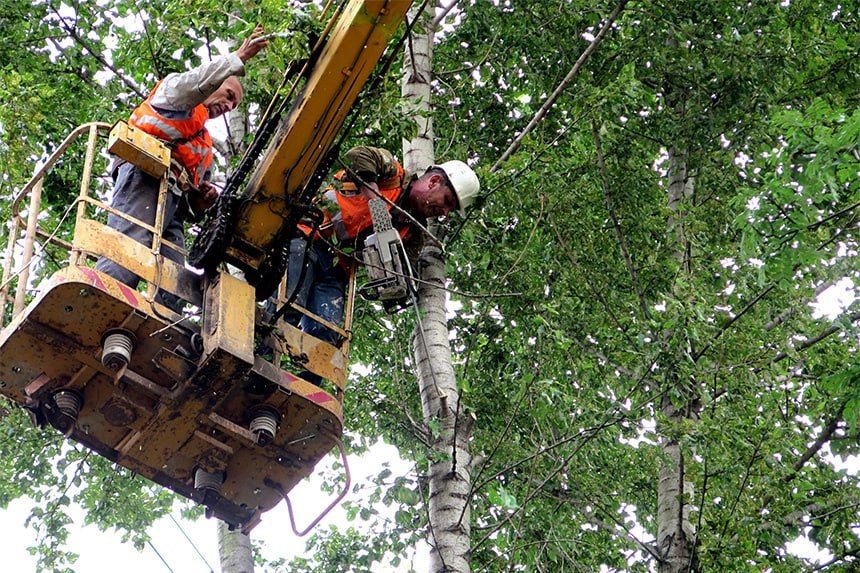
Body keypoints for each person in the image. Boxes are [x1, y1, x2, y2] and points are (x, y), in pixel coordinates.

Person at [95, 25, 269, 311]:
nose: (227, 105)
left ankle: (162, 321)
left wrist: (201, 200)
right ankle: (102, 305)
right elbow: (196, 82)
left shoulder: (204, 147)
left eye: (234, 103)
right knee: (130, 245)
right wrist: (238, 57)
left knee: (174, 275)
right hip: (144, 176)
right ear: (213, 84)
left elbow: (192, 205)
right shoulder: (173, 95)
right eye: (227, 94)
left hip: (172, 204)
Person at [275, 146, 480, 345]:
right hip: (308, 238)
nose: (444, 212)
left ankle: (300, 380)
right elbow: (357, 155)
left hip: (336, 271)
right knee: (288, 304)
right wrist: (377, 203)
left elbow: (400, 273)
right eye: (447, 202)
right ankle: (259, 359)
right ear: (434, 181)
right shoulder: (393, 175)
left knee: (326, 335)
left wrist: (394, 289)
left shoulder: (414, 234)